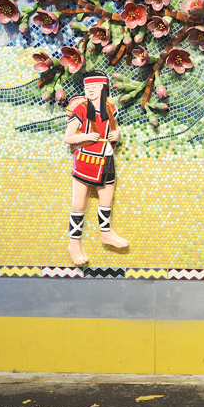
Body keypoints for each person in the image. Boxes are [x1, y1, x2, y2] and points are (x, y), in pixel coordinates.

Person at [64, 70, 129, 265]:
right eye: (87, 88)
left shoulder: (110, 107)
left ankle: (106, 232)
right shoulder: (81, 109)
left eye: (93, 87)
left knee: (106, 199)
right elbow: (68, 137)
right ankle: (74, 243)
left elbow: (114, 129)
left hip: (106, 157)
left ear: (102, 87)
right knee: (79, 204)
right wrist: (85, 137)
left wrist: (117, 135)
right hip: (85, 159)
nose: (90, 91)